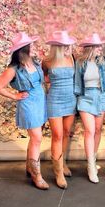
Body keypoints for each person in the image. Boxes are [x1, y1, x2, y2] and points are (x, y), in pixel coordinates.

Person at [0, 32, 49, 190]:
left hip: (40, 100)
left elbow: (41, 79)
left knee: (36, 137)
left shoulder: (34, 62)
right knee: (37, 138)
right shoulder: (13, 69)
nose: (30, 48)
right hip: (28, 103)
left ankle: (29, 166)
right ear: (21, 50)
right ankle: (37, 175)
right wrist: (14, 95)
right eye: (28, 46)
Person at [42, 30, 77, 189]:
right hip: (55, 100)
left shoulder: (71, 58)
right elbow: (44, 77)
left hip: (70, 100)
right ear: (57, 46)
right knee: (57, 135)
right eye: (65, 44)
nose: (67, 47)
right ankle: (58, 173)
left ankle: (62, 164)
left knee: (66, 133)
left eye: (68, 44)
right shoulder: (47, 61)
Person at [74, 33, 105, 183]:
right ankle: (90, 166)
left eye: (100, 46)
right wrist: (77, 97)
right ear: (91, 48)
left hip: (100, 96)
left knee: (98, 130)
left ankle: (93, 159)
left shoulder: (102, 61)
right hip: (85, 97)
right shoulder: (80, 62)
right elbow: (77, 82)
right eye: (97, 46)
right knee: (90, 130)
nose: (100, 48)